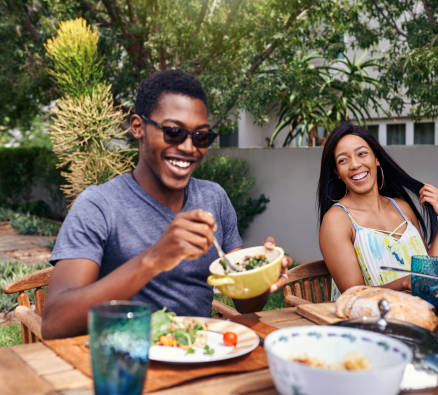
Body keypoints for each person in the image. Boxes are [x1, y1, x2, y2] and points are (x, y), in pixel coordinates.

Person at [42, 70, 289, 339]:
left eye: (201, 137)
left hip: (199, 354)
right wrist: (155, 259)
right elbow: (55, 323)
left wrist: (261, 275)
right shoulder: (99, 206)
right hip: (126, 361)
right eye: (173, 132)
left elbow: (245, 303)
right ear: (138, 127)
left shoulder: (214, 199)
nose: (188, 147)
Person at [317, 122, 438, 299]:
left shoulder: (402, 208)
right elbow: (354, 295)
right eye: (343, 160)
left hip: (414, 317)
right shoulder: (337, 220)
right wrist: (404, 282)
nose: (355, 164)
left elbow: (429, 277)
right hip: (363, 324)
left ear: (376, 159)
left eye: (362, 154)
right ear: (337, 172)